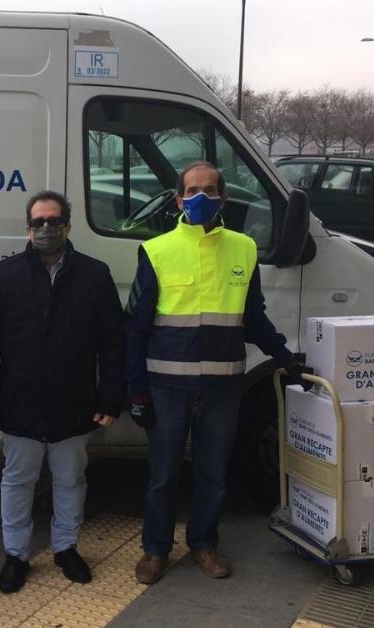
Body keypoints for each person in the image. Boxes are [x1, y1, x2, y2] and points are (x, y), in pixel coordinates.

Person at [125, 161, 306, 585]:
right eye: (192, 191)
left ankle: (204, 544)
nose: (200, 198)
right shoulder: (156, 251)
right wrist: (136, 390)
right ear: (179, 199)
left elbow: (253, 317)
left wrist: (284, 357)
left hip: (225, 385)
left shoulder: (244, 249)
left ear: (223, 198)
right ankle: (155, 550)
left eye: (209, 190)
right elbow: (134, 326)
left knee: (212, 472)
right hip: (168, 385)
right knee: (164, 473)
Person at [0, 190, 125, 594]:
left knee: (71, 479)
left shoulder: (95, 275)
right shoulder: (5, 276)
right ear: (27, 227)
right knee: (17, 480)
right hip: (19, 402)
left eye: (54, 221)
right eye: (38, 222)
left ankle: (66, 548)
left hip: (74, 403)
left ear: (68, 226)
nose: (46, 229)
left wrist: (110, 398)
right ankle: (16, 554)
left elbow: (112, 343)